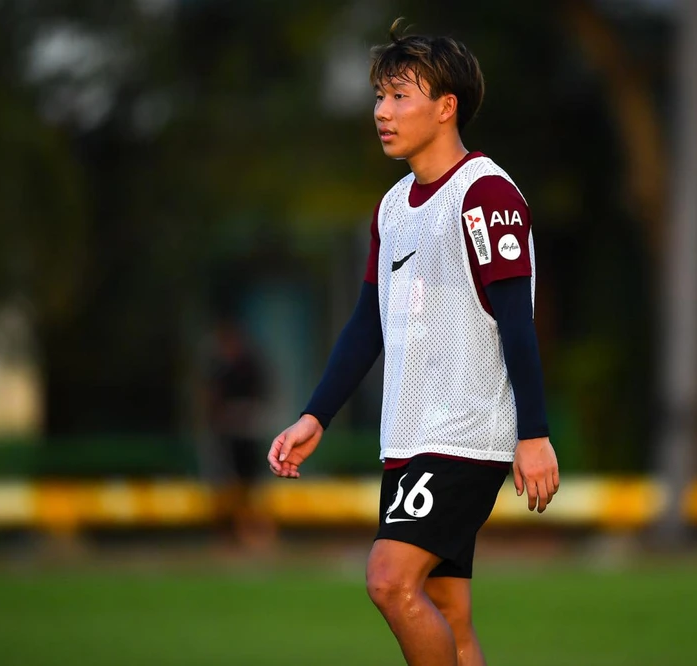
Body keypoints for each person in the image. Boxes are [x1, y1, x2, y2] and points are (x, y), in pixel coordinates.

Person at [267, 18, 559, 666]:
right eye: (380, 96)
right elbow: (367, 323)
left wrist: (533, 435)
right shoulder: (393, 206)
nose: (382, 111)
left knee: (388, 580)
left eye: (400, 96)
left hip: (463, 436)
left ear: (446, 107)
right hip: (408, 437)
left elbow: (517, 322)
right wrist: (316, 415)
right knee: (449, 616)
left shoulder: (485, 195)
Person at [204, 318, 275, 549]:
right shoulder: (220, 368)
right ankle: (234, 532)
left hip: (248, 432)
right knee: (229, 483)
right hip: (228, 433)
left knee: (252, 484)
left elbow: (261, 396)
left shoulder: (249, 366)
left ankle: (256, 531)